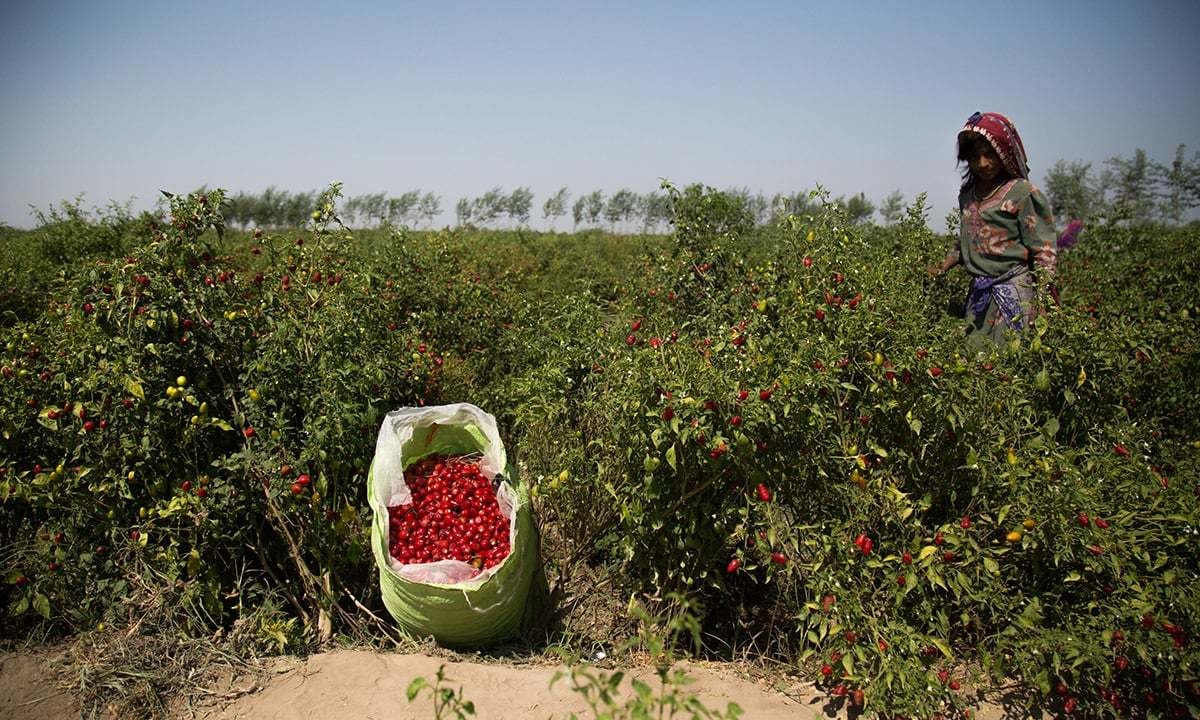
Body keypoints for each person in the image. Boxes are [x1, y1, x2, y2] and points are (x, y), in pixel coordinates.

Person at [928, 111, 1058, 344]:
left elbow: (1044, 252)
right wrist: (942, 266)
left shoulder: (1023, 193)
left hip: (1014, 296)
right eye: (975, 157)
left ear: (1004, 152)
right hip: (979, 296)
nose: (983, 164)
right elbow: (968, 240)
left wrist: (1041, 304)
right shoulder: (967, 196)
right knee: (974, 363)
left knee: (1008, 363)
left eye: (990, 155)